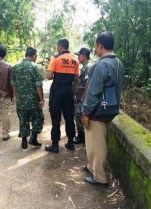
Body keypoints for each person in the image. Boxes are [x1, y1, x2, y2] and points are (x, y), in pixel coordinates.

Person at [82, 31, 124, 186]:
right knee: (100, 142)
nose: (96, 49)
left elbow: (93, 92)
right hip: (110, 109)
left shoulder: (100, 65)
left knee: (97, 145)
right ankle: (91, 167)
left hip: (97, 112)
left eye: (96, 46)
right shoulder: (118, 63)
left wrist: (86, 112)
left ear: (100, 46)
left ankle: (99, 178)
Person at [45, 38, 79, 153]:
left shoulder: (55, 58)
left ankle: (55, 145)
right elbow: (75, 80)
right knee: (69, 118)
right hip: (68, 91)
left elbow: (49, 76)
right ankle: (70, 143)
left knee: (56, 118)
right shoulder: (75, 60)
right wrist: (73, 94)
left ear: (60, 47)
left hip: (57, 92)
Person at [11, 47, 44, 149]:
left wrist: (16, 96)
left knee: (23, 120)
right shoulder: (36, 67)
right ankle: (33, 138)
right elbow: (38, 85)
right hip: (34, 101)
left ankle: (24, 141)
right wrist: (41, 99)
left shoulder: (15, 67)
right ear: (34, 55)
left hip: (21, 100)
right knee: (38, 118)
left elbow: (13, 84)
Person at [73, 48, 92, 144]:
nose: (78, 57)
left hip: (83, 97)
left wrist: (82, 98)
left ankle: (81, 137)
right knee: (78, 115)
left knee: (78, 115)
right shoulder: (85, 66)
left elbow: (87, 85)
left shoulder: (87, 67)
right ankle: (81, 136)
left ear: (84, 56)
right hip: (81, 96)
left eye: (79, 55)